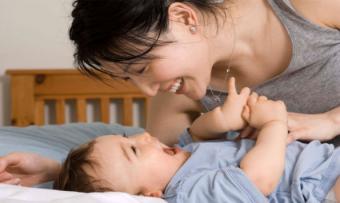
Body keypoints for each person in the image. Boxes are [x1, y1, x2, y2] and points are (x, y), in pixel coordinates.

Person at [1, 78, 339, 202]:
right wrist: (274, 125)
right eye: (133, 150)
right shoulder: (189, 190)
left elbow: (198, 133)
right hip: (317, 186)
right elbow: (258, 181)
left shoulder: (180, 156)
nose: (145, 136)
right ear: (151, 195)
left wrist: (221, 120)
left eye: (128, 137)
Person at [68, 0, 340, 145]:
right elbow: (161, 170)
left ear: (185, 19)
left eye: (143, 67)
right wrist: (67, 173)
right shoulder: (179, 97)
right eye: (131, 78)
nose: (147, 89)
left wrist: (331, 121)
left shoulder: (307, 7)